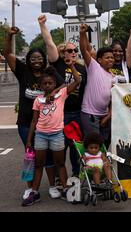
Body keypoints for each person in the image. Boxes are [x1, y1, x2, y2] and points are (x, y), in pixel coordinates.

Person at [3, 25, 61, 201]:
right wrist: (9, 36)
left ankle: (52, 186)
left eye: (39, 58)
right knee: (31, 157)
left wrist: (51, 95)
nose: (36, 61)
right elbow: (6, 53)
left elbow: (62, 87)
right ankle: (30, 189)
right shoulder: (23, 72)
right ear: (28, 60)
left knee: (49, 157)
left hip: (47, 125)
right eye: (33, 58)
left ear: (43, 60)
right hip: (26, 123)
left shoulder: (49, 74)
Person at [23, 65, 81, 206]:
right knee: (39, 164)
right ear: (41, 85)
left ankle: (66, 190)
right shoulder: (38, 100)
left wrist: (71, 65)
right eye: (45, 83)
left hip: (57, 135)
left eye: (50, 83)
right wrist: (29, 140)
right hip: (41, 135)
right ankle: (34, 193)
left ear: (54, 84)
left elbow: (78, 80)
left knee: (60, 163)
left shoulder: (61, 95)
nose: (47, 85)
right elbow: (34, 120)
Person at [38, 14, 87, 177]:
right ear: (62, 52)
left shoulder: (82, 69)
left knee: (76, 148)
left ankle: (75, 175)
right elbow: (49, 43)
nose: (73, 53)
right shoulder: (57, 63)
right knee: (59, 148)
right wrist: (43, 26)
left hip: (77, 114)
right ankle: (60, 178)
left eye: (75, 50)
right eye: (69, 50)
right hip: (59, 114)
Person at [79, 23, 115, 149]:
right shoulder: (94, 67)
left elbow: (112, 100)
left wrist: (108, 116)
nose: (110, 59)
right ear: (99, 60)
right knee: (93, 147)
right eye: (107, 58)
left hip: (104, 116)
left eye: (112, 57)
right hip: (90, 115)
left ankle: (101, 167)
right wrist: (82, 34)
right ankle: (90, 168)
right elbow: (84, 50)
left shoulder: (113, 77)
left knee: (103, 146)